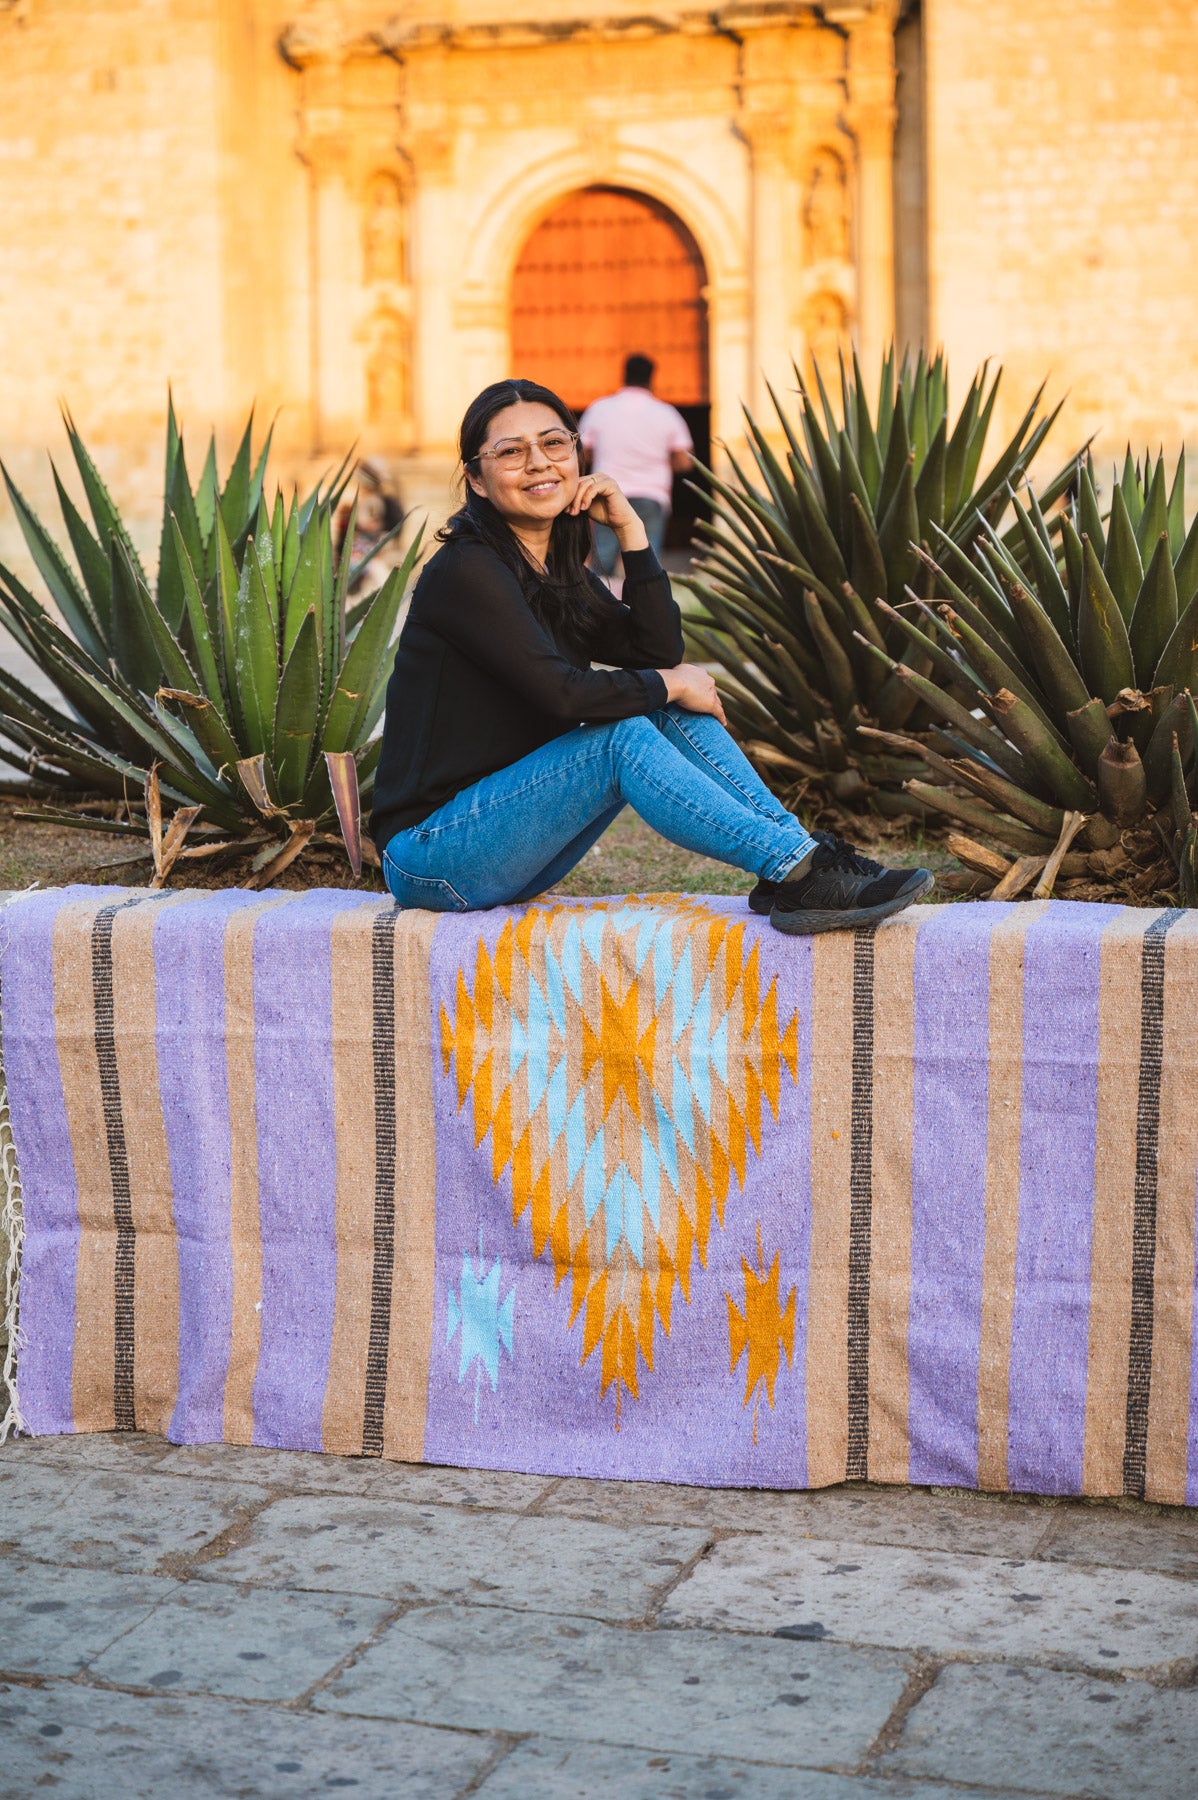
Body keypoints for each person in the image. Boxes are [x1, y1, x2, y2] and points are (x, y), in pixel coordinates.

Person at [369, 378, 932, 934]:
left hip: (509, 842)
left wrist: (633, 533)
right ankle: (799, 867)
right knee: (625, 735)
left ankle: (800, 865)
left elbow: (656, 650)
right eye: (511, 452)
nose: (538, 463)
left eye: (553, 443)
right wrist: (673, 681)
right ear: (478, 480)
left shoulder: (557, 571)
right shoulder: (467, 570)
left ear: (577, 453)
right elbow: (562, 694)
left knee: (669, 710)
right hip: (430, 857)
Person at [579, 354, 693, 575]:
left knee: (603, 560)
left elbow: (581, 453)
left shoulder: (600, 409)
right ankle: (646, 607)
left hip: (607, 492)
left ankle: (596, 606)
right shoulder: (666, 413)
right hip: (651, 495)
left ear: (624, 375)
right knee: (646, 562)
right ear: (652, 378)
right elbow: (685, 461)